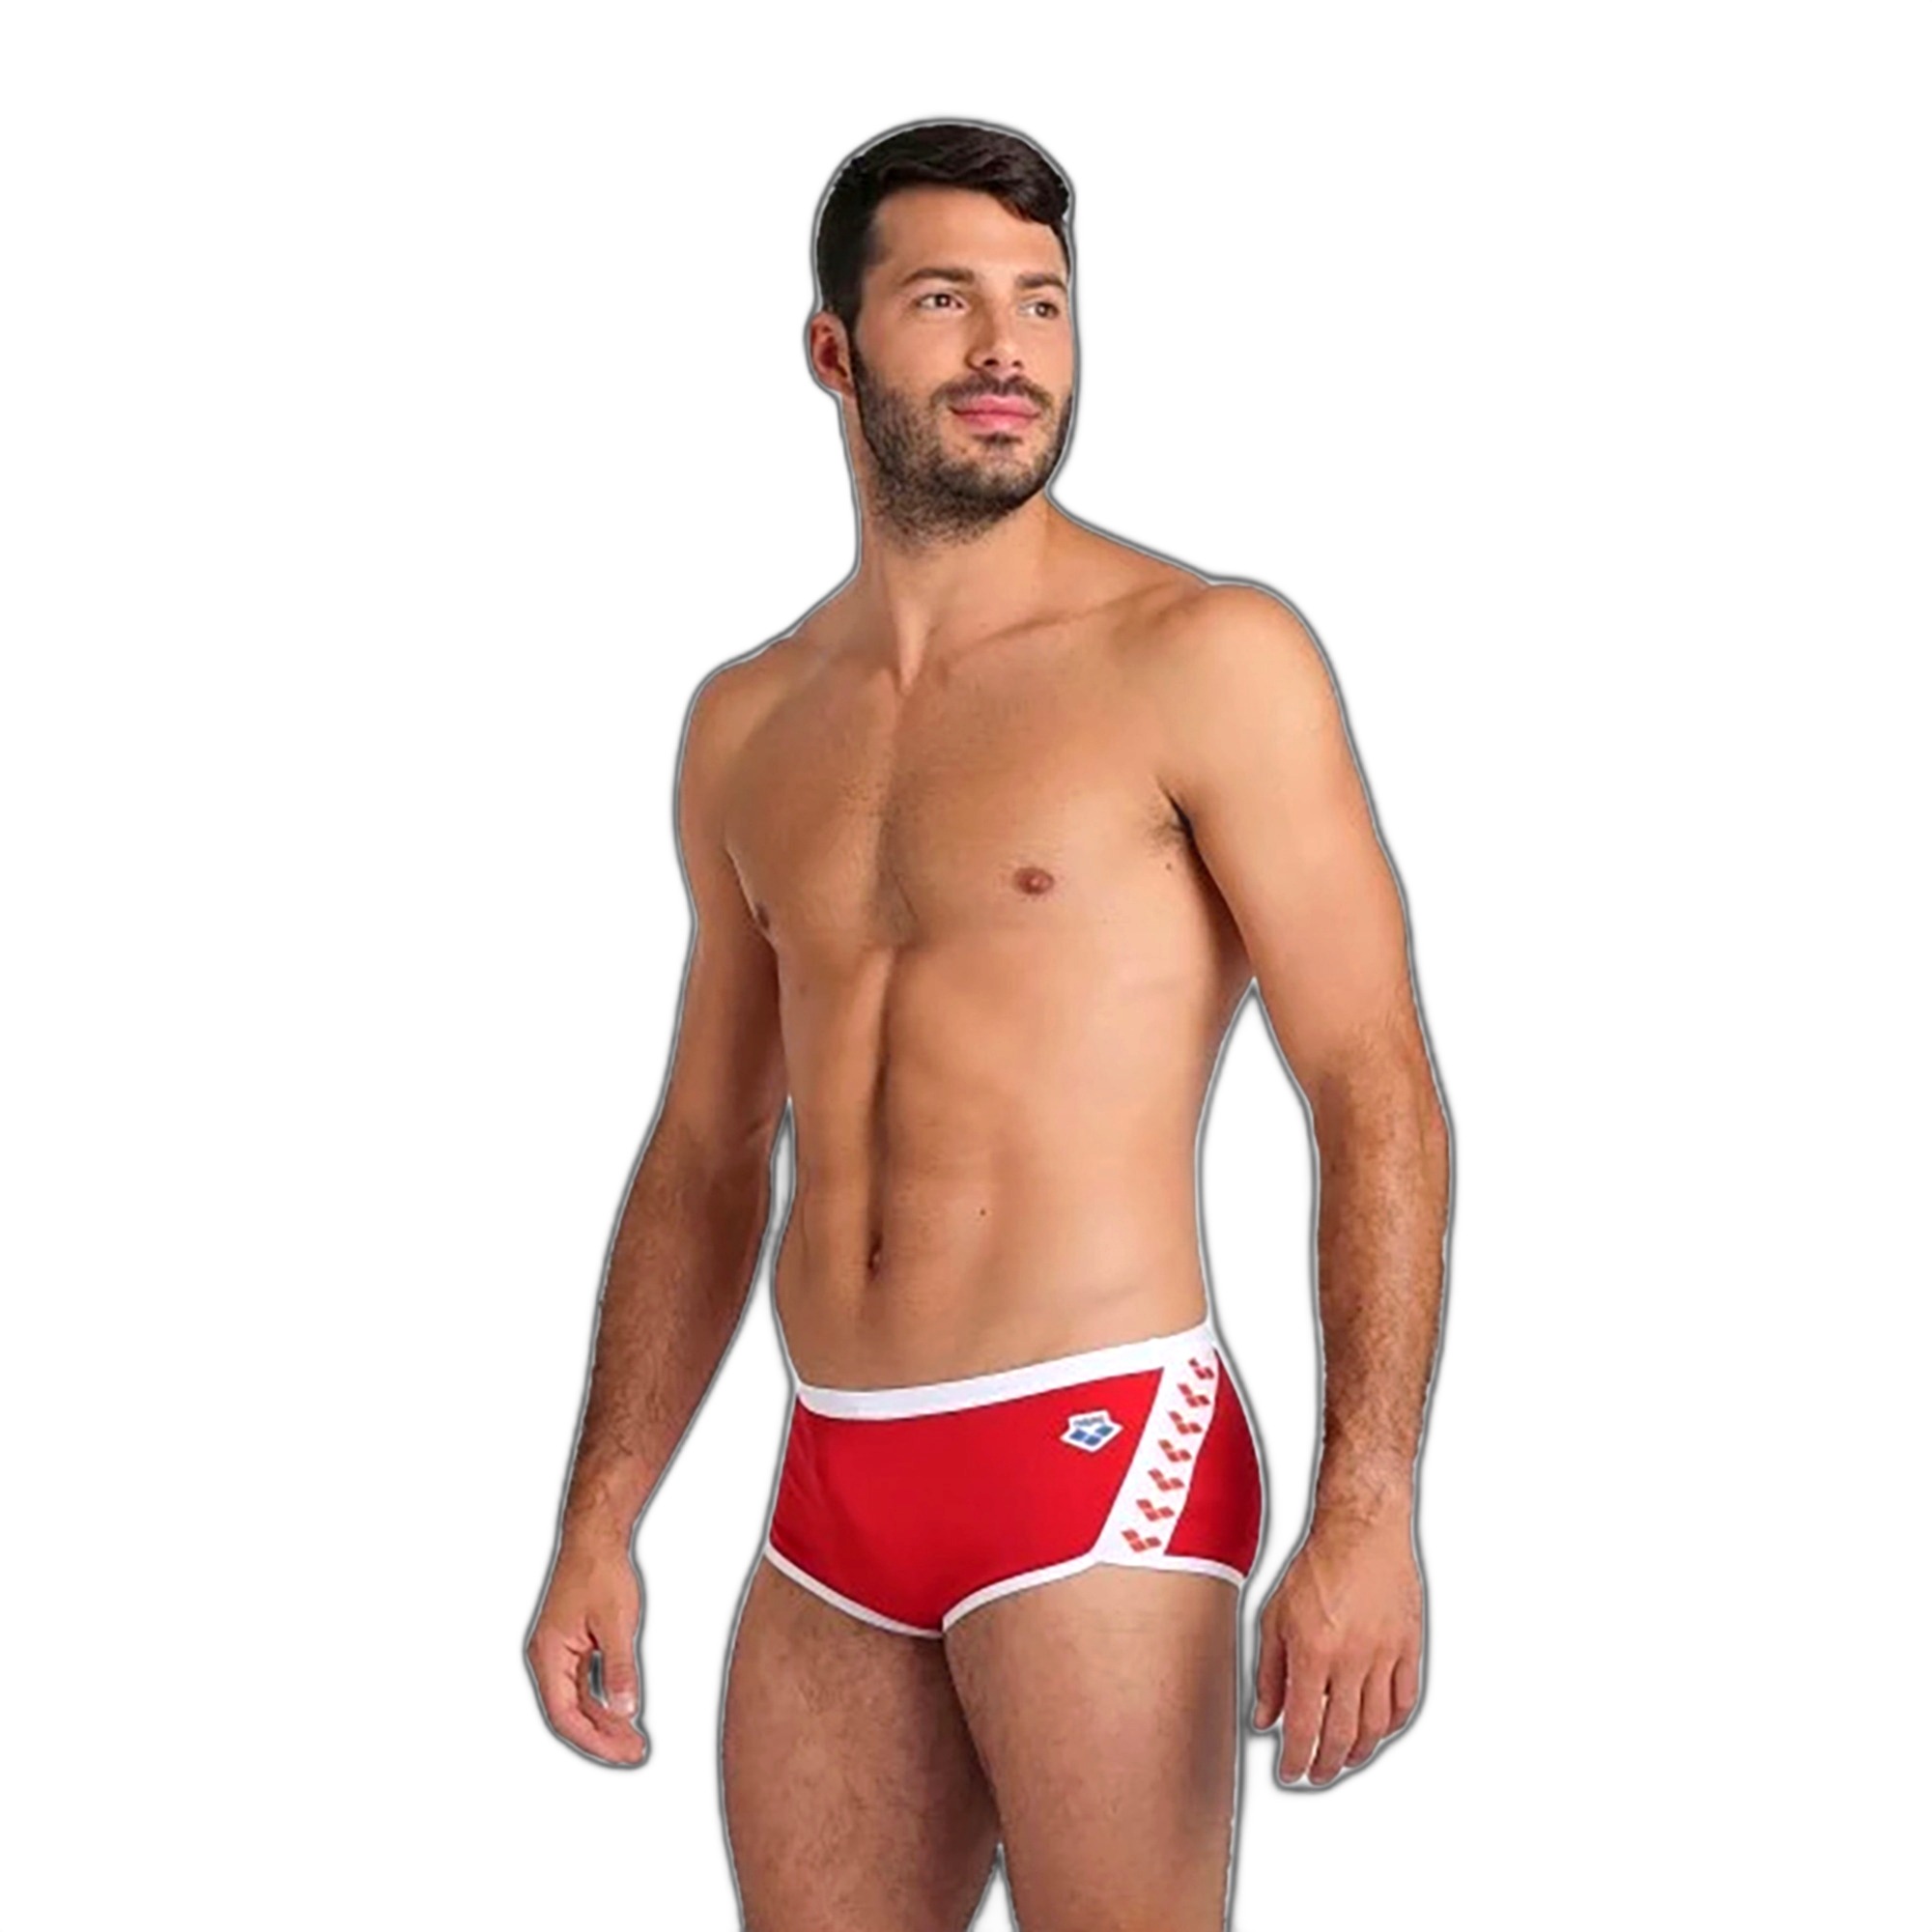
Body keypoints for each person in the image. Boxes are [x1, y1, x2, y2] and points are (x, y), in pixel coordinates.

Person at [526, 118, 1452, 1931]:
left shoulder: (1204, 656)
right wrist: (600, 1512)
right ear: (835, 350)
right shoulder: (748, 722)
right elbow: (708, 1147)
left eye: (1043, 301)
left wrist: (1371, 1503)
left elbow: (1373, 1083)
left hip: (1096, 1452)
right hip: (830, 1484)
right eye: (946, 301)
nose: (1008, 348)